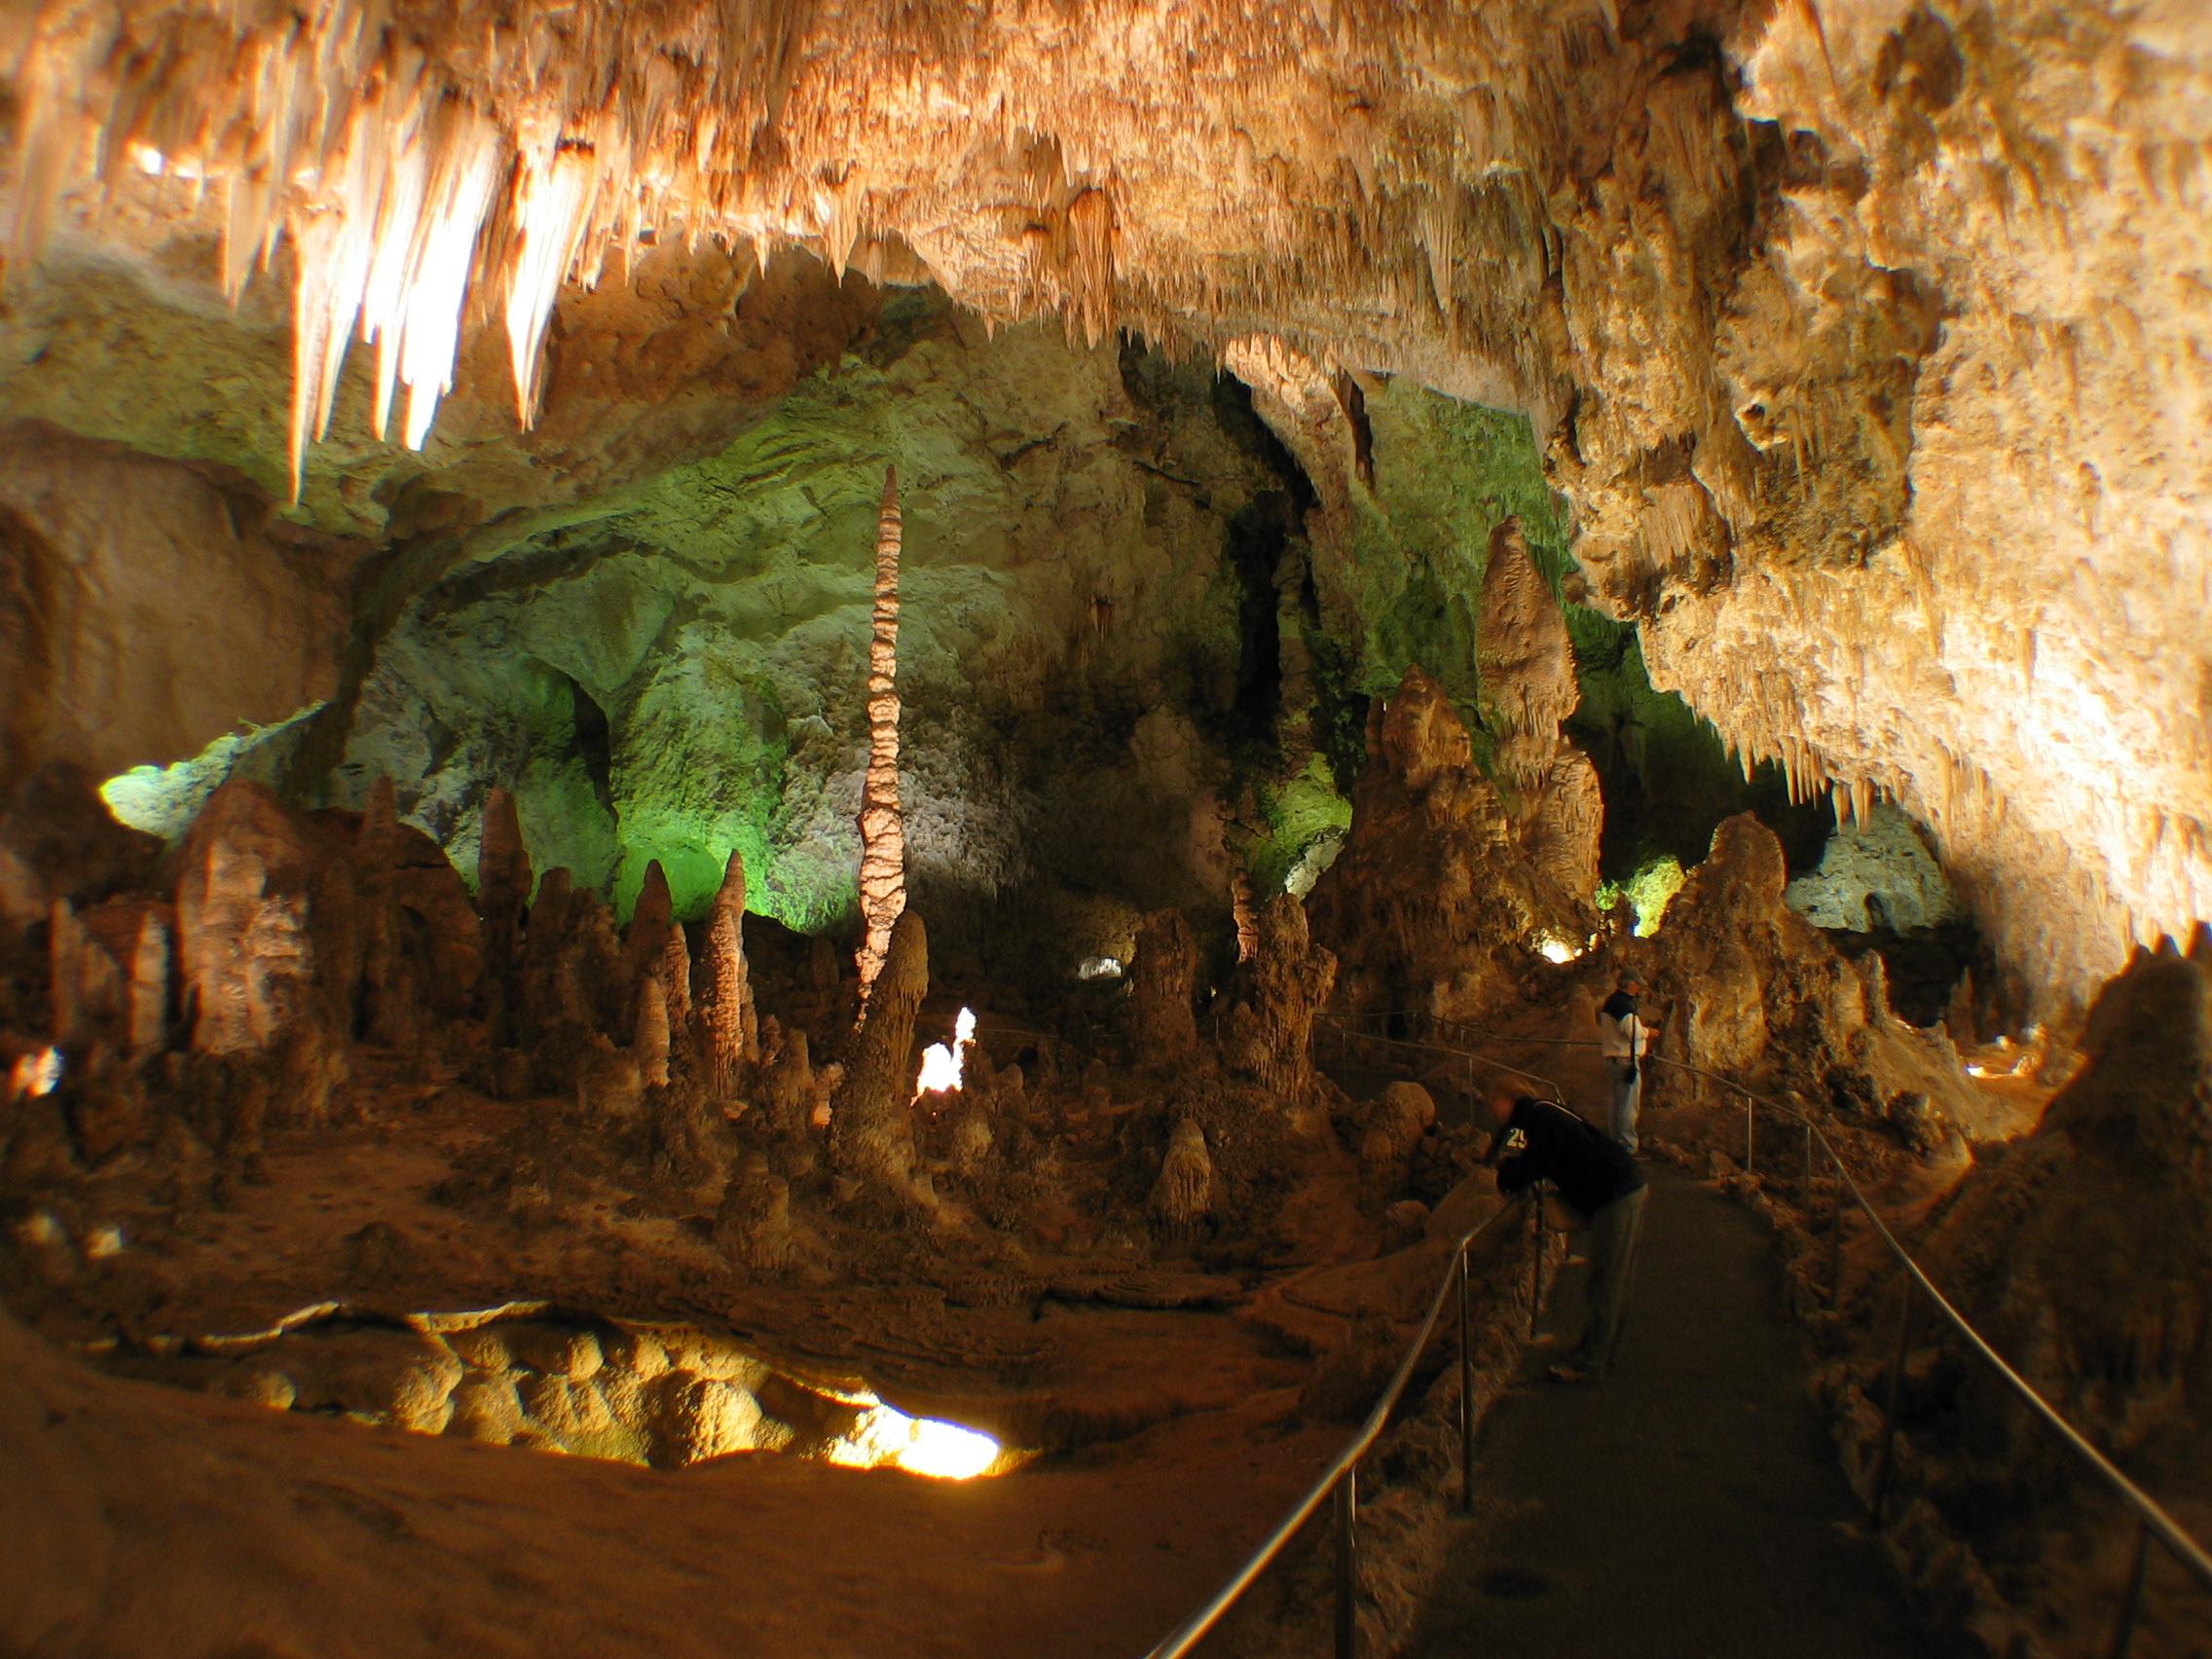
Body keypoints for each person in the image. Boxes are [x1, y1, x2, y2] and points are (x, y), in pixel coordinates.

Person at [1483, 1087, 1648, 1383]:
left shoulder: (1538, 1120)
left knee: (1607, 1280)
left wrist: (1503, 1178)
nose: (1491, 1110)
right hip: (1621, 1187)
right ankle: (1601, 1351)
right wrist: (1496, 1162)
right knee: (1613, 1277)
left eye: (1493, 1102)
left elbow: (1532, 1164)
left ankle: (1589, 1363)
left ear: (1506, 1099)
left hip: (1616, 1193)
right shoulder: (1538, 1112)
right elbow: (1509, 1146)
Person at [1597, 975, 1661, 1154]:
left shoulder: (1612, 1001)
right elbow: (1631, 1032)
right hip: (1625, 1061)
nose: (1639, 988)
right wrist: (1648, 1032)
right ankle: (1627, 1147)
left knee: (1616, 1103)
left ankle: (1615, 1143)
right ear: (1629, 984)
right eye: (1637, 984)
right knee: (1627, 1105)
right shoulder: (1623, 1004)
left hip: (1614, 1060)